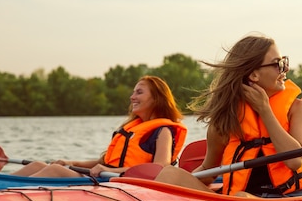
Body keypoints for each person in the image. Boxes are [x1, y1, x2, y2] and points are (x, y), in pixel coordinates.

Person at [155, 33, 302, 197]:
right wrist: (182, 183)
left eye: (284, 62)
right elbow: (208, 170)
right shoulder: (227, 120)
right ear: (254, 75)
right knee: (170, 175)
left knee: (242, 197)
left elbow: (295, 161)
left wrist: (264, 110)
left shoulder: (299, 109)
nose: (285, 69)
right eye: (278, 64)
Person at [12, 75, 187, 178]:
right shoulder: (133, 128)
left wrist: (108, 170)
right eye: (133, 92)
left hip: (121, 184)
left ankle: (4, 194)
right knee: (37, 165)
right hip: (106, 178)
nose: (132, 97)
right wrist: (72, 162)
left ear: (157, 99)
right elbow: (105, 163)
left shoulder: (163, 131)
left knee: (55, 171)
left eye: (139, 92)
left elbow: (160, 168)